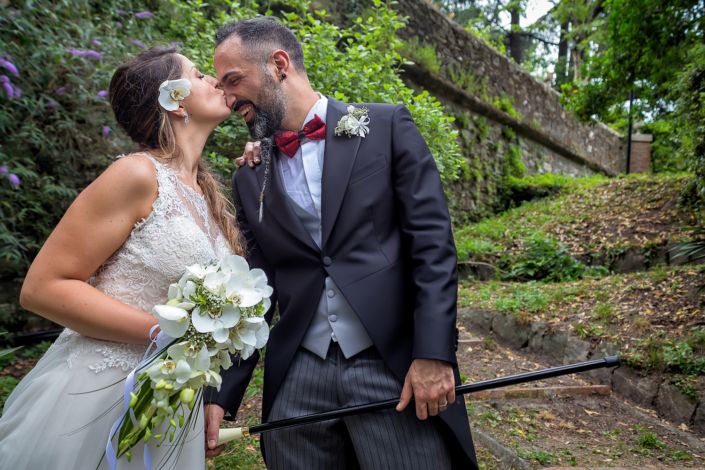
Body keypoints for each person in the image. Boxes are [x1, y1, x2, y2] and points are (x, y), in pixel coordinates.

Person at [204, 17, 478, 469]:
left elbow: (432, 248)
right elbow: (253, 289)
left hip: (391, 365)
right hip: (298, 376)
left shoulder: (385, 126)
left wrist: (433, 353)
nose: (228, 99)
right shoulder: (250, 176)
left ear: (278, 64)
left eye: (233, 81)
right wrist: (224, 393)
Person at [0, 47, 240, 469]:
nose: (215, 81)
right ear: (174, 99)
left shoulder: (204, 193)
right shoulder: (136, 175)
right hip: (99, 394)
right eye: (200, 75)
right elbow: (42, 288)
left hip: (167, 398)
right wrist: (168, 333)